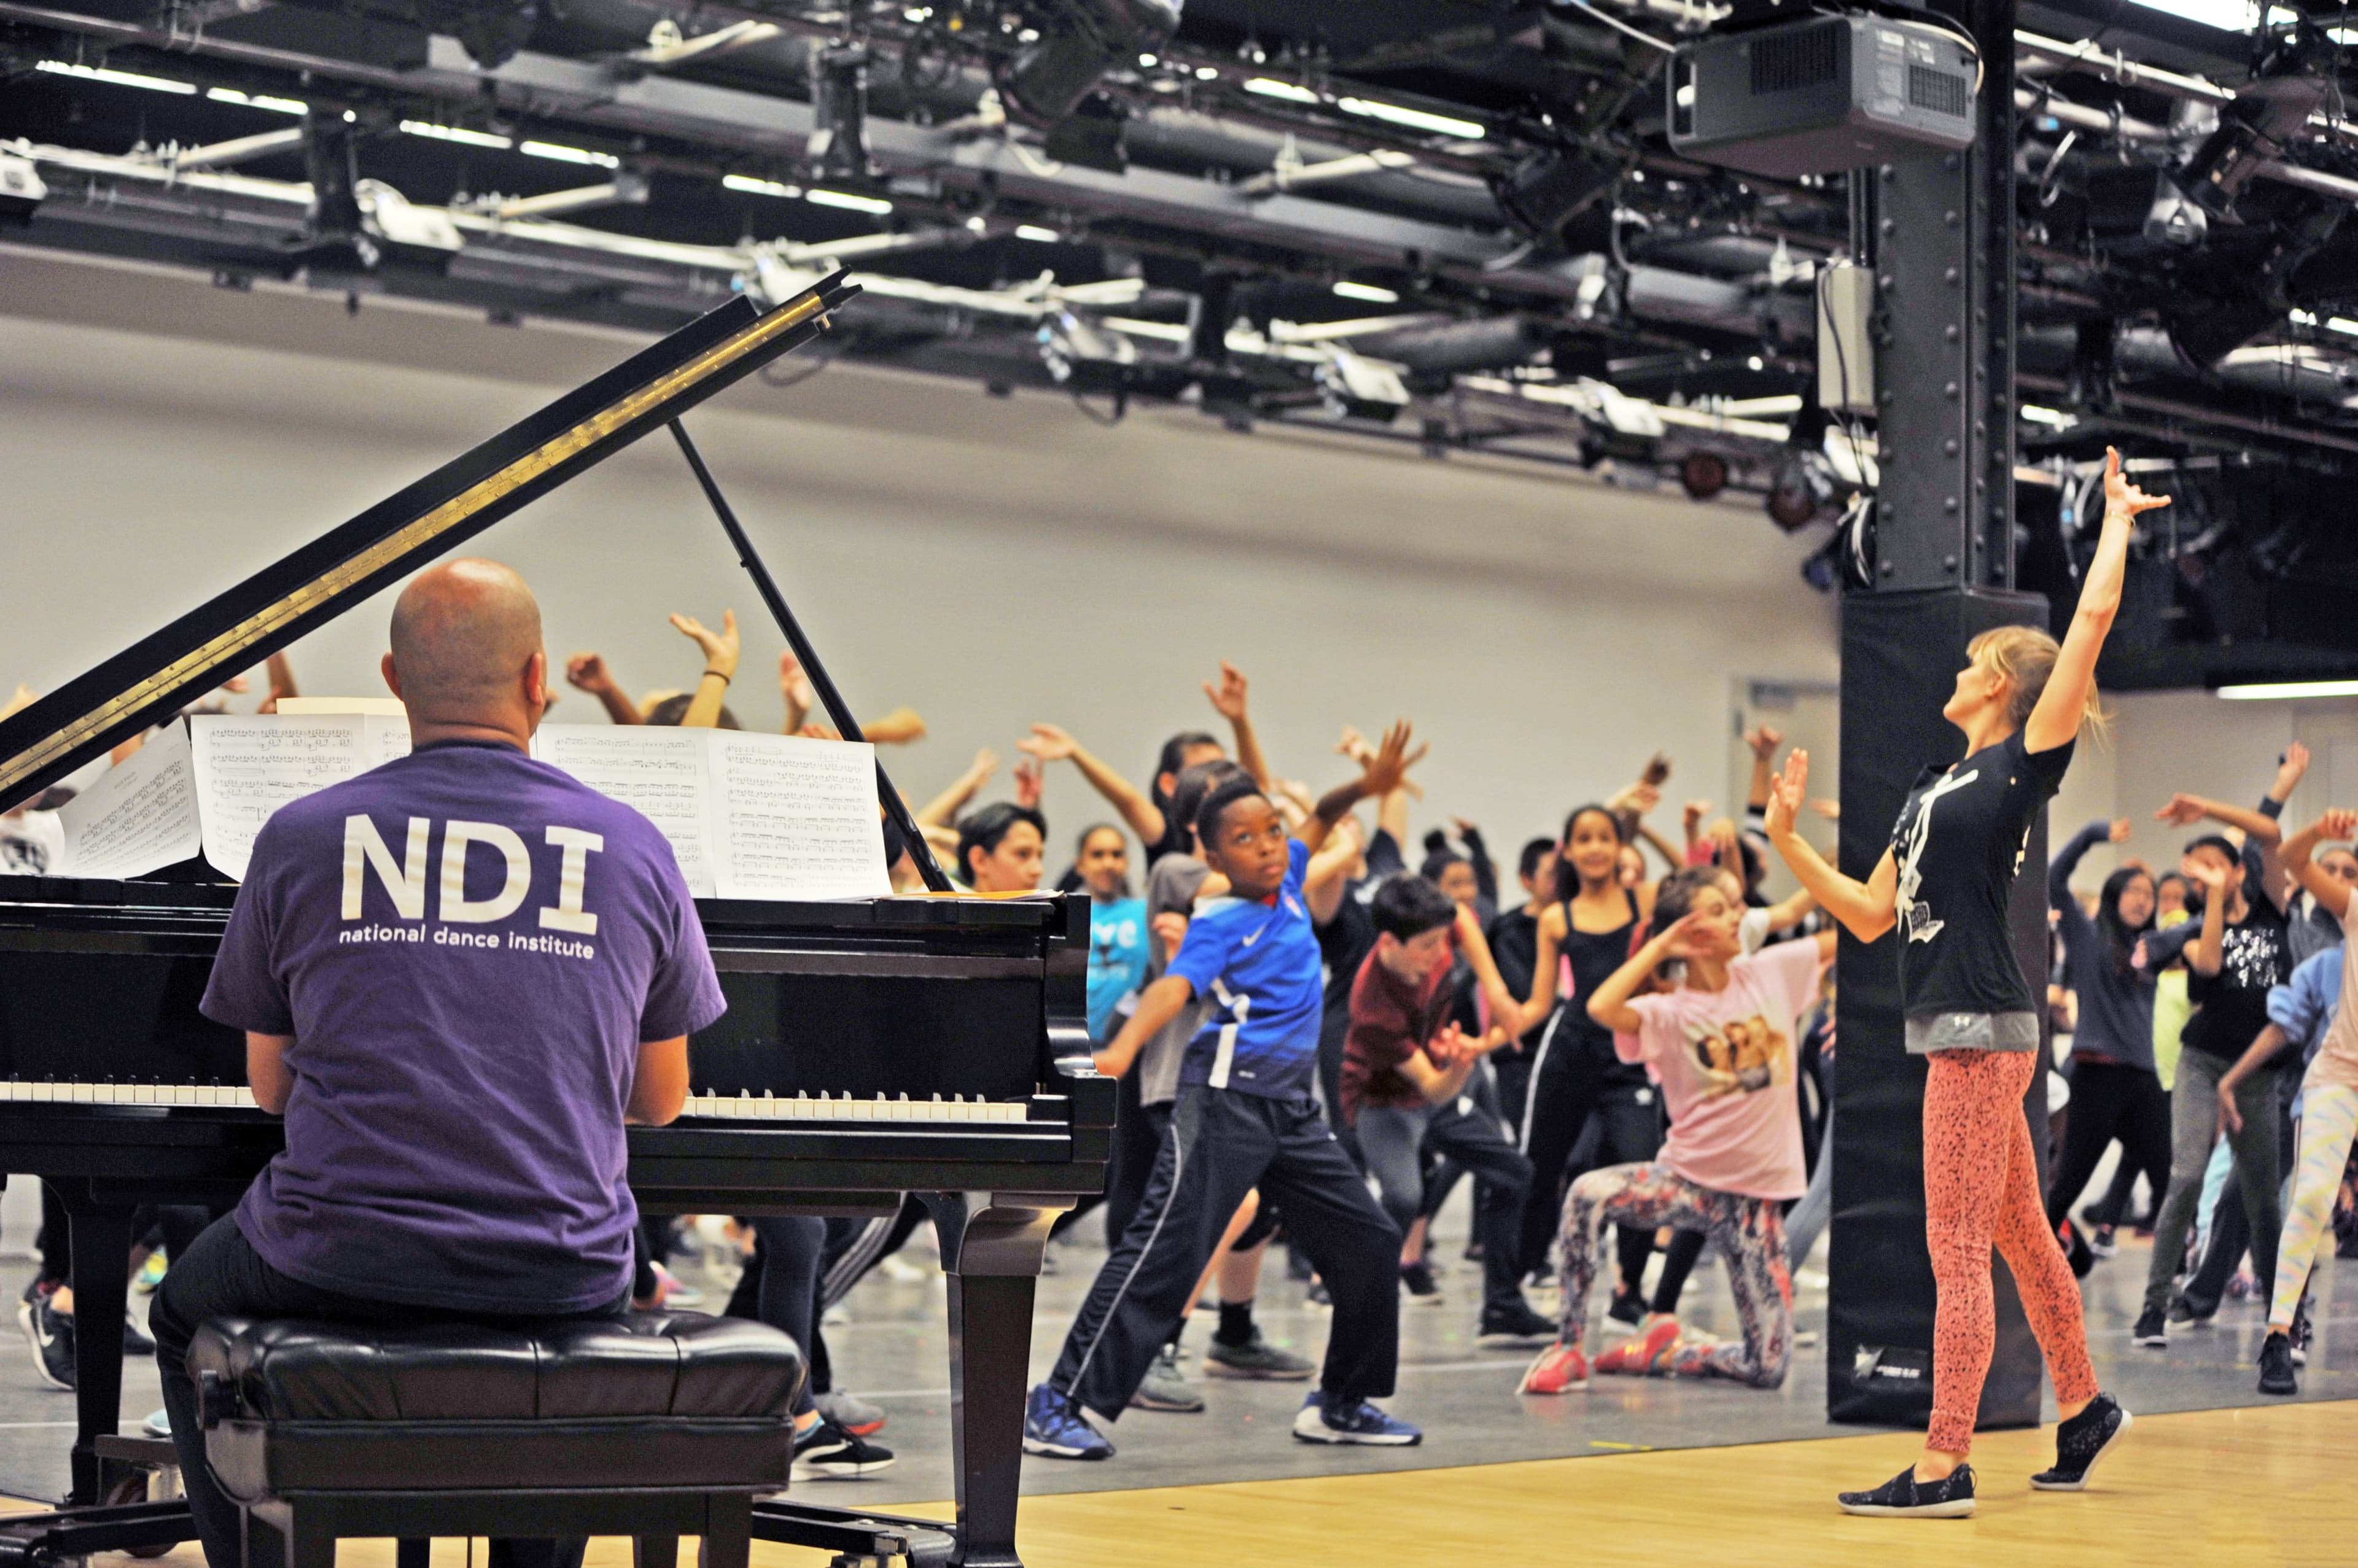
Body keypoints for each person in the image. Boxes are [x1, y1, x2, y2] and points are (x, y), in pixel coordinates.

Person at [149, 560, 731, 1568]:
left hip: (337, 1256)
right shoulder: (634, 847)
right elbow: (661, 1099)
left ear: (392, 677)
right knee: (563, 1352)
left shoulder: (299, 837)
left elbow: (273, 1087)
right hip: (565, 1264)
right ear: (540, 676)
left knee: (178, 1308)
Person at [1763, 448, 2161, 1518]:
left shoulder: (2019, 762)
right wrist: (1784, 838)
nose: (1960, 666)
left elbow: (2086, 630)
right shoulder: (1930, 786)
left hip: (1983, 1030)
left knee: (1954, 1251)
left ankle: (1943, 1462)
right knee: (2019, 1233)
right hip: (1957, 1026)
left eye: (1976, 658)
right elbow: (1865, 910)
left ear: (2000, 683)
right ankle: (2082, 1404)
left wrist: (2114, 522)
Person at [1023, 725, 1426, 1460]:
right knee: (1164, 1252)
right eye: (1248, 838)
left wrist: (1367, 789)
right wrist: (1120, 1049)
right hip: (1223, 1104)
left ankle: (1341, 1401)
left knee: (1369, 1240)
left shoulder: (1292, 874)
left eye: (1272, 829)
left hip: (1290, 1110)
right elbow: (1174, 987)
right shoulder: (1221, 919)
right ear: (1214, 857)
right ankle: (1057, 1401)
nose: (1270, 844)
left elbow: (1321, 816)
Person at [1519, 868, 1834, 1394]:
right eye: (1719, 909)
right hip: (1686, 1183)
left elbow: (1858, 926)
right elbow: (1601, 1006)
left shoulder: (1773, 971)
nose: (1738, 916)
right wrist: (1662, 943)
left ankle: (1661, 1355)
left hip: (1755, 1202)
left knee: (1768, 1369)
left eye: (1734, 906)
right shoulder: (1667, 1011)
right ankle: (1569, 1347)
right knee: (1584, 1194)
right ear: (1688, 932)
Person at [1340, 875, 1551, 1343]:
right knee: (1402, 1199)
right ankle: (1356, 1293)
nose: (1441, 956)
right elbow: (1434, 1089)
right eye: (1429, 946)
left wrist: (1495, 991)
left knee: (1512, 1171)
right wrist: (1461, 1064)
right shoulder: (1374, 1003)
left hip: (1434, 1089)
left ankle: (1502, 1306)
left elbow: (1465, 922)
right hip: (1385, 1102)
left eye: (1442, 941)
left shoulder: (1432, 933)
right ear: (1389, 942)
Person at [2132, 798, 2292, 1345]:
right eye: (2193, 871)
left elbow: (2268, 831)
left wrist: (2202, 809)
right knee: (2187, 1178)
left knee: (2262, 1198)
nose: (2200, 877)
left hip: (2259, 1072)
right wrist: (2216, 896)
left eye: (2211, 865)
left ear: (2241, 869)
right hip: (2202, 1064)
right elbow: (2208, 967)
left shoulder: (2273, 908)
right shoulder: (2204, 928)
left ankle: (2282, 1320)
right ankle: (2154, 1308)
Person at [2219, 809, 2358, 1395]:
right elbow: (2292, 860)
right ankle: (2279, 1335)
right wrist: (2321, 832)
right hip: (2340, 1078)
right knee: (2309, 1203)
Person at [1511, 801, 1661, 1311]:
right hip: (1571, 1050)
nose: (1596, 847)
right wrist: (1487, 1039)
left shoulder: (1647, 902)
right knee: (1541, 1164)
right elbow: (1537, 1002)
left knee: (1642, 1166)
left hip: (1630, 1056)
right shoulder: (1556, 918)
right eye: (1584, 838)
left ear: (1621, 847)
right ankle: (1524, 1273)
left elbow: (1712, 891)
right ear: (1569, 851)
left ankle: (1629, 1291)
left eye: (1605, 837)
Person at [2042, 821, 2169, 1248]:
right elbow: (2055, 877)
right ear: (2115, 895)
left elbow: (2199, 931)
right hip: (2097, 1075)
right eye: (2134, 890)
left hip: (2142, 1078)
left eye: (2149, 894)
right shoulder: (2086, 935)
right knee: (2068, 1184)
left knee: (2169, 1174)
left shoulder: (2153, 945)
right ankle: (2034, 1263)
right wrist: (2093, 834)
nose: (2142, 900)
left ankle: (2175, 1269)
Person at [1020, 661, 1271, 867]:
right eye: (1203, 770)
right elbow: (1126, 799)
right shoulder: (1165, 832)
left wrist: (1239, 721)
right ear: (1170, 784)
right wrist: (1076, 752)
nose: (1219, 778)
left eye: (1221, 766)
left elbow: (1255, 790)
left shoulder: (1236, 824)